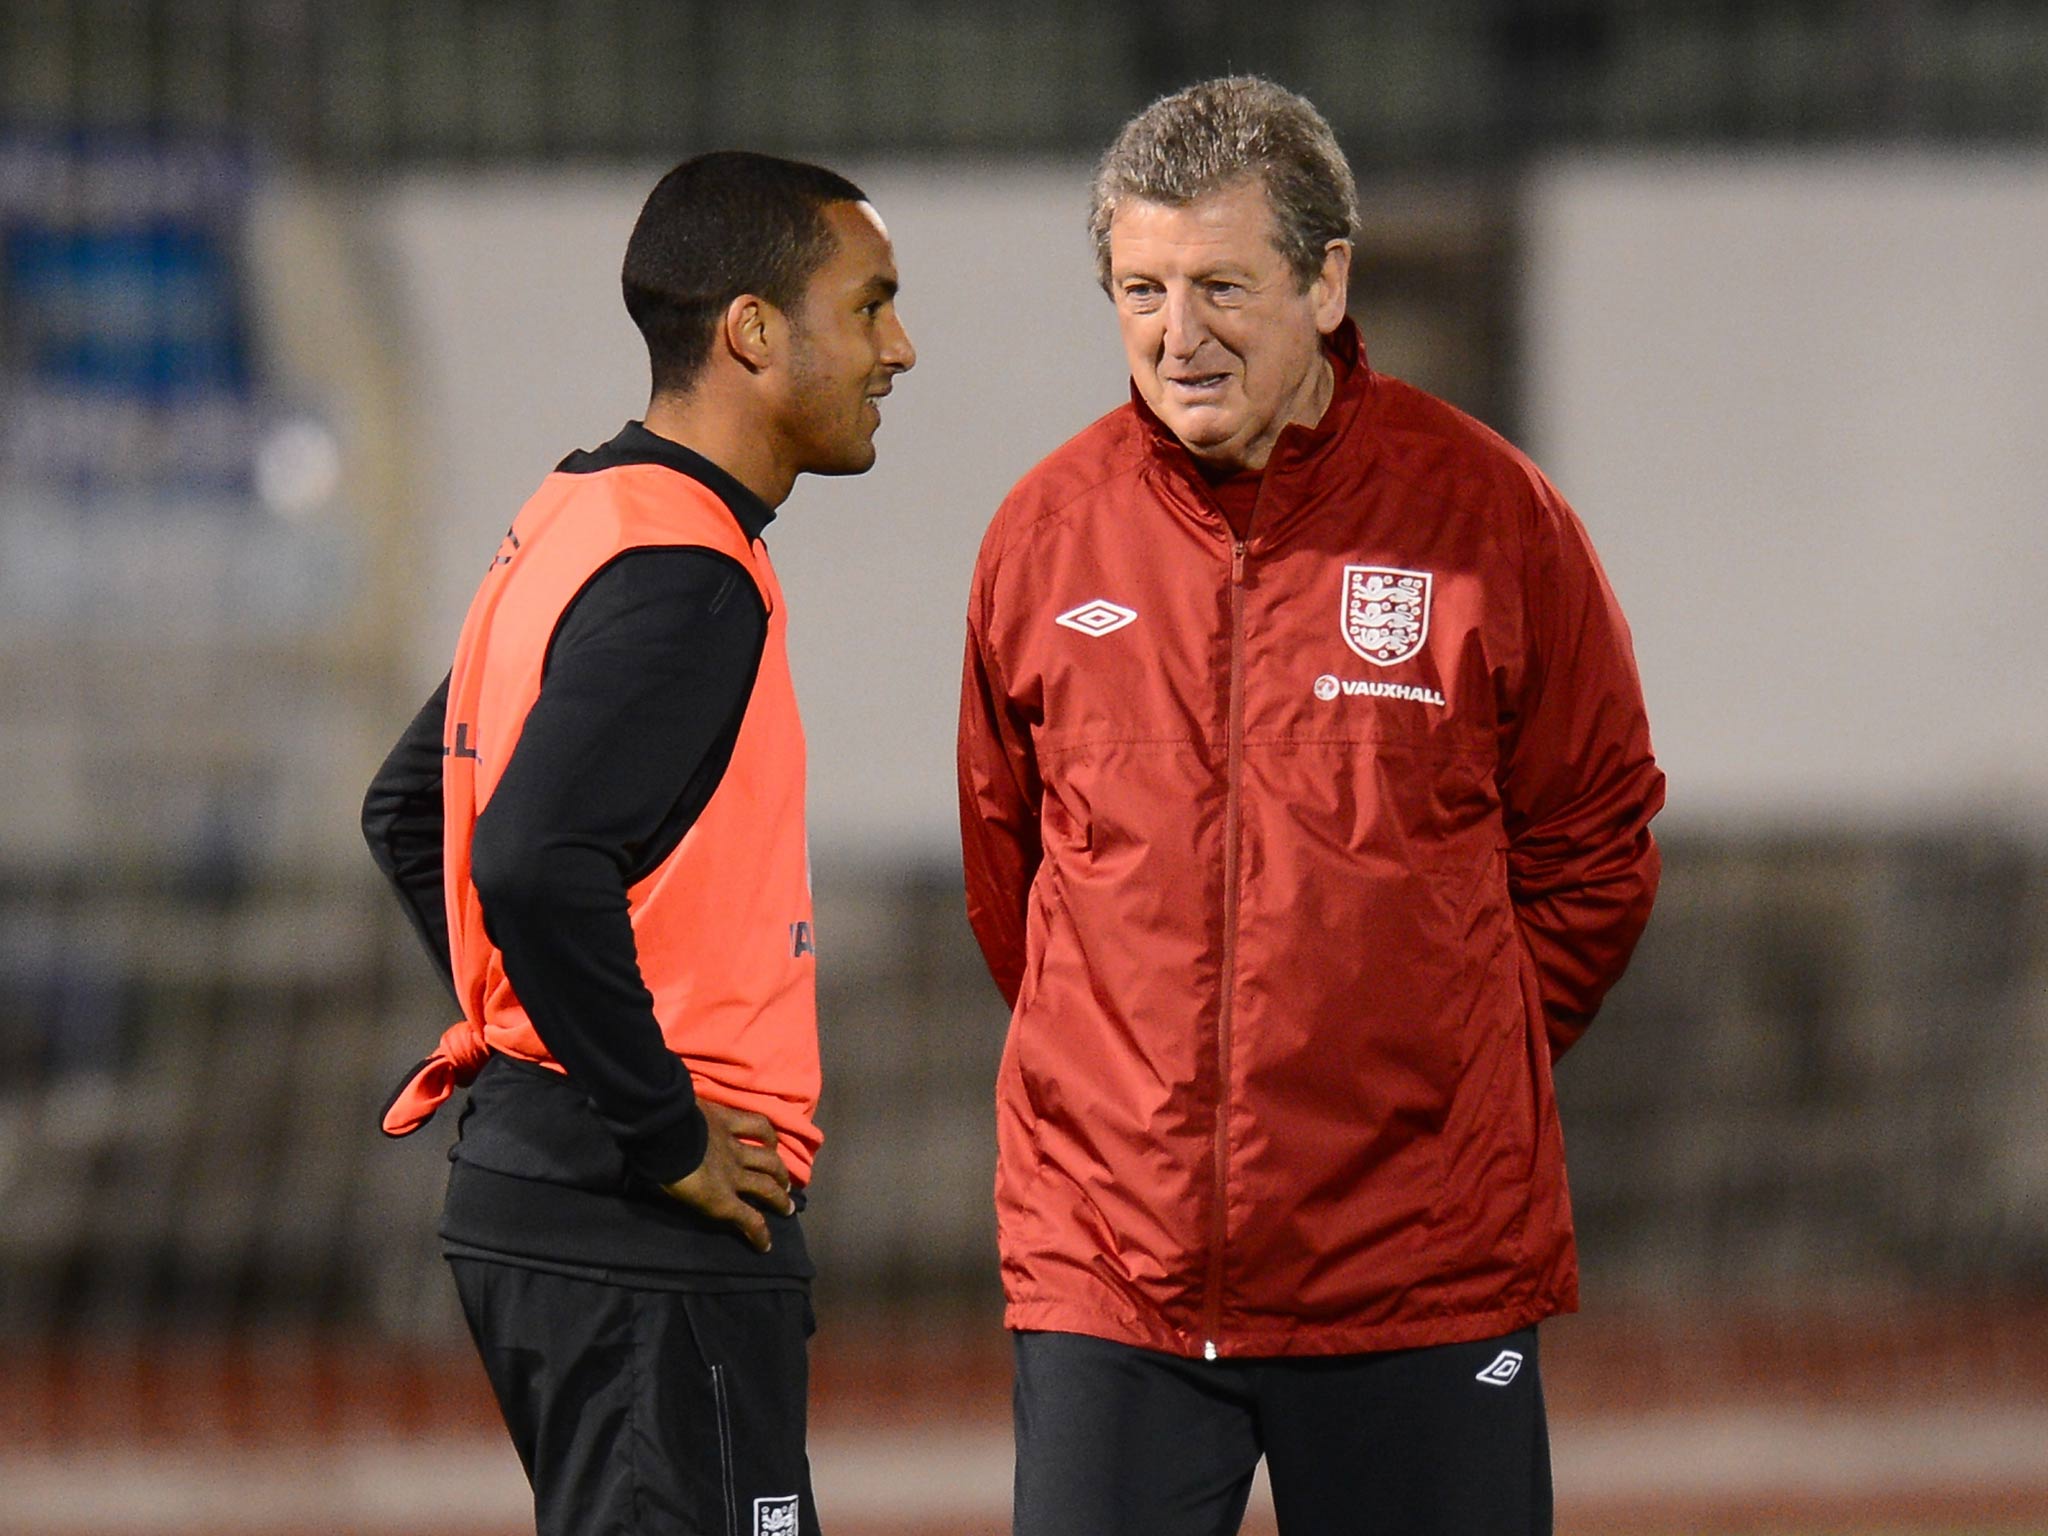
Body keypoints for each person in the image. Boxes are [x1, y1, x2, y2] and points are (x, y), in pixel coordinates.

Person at [957, 77, 1663, 1536]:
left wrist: (1447, 1056)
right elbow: (1011, 876)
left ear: (1327, 278)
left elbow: (1595, 845)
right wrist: (1138, 1099)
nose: (1178, 333)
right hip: (1117, 1273)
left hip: (1420, 1262)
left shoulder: (1492, 520)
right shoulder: (1043, 533)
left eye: (1222, 284)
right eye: (1141, 290)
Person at [363, 150, 914, 1536]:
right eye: (870, 306)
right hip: (644, 1233)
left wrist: (548, 1047)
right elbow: (527, 861)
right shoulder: (685, 578)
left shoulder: (581, 516)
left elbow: (410, 805)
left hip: (542, 1196)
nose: (898, 349)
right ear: (751, 332)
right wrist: (655, 1118)